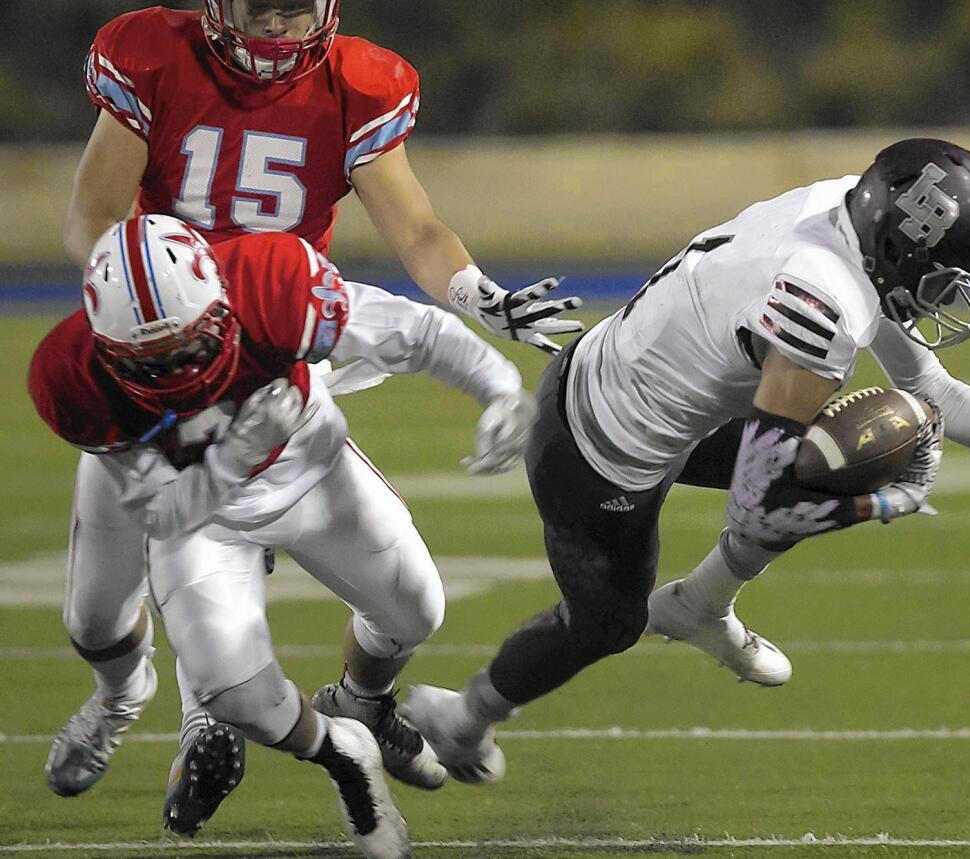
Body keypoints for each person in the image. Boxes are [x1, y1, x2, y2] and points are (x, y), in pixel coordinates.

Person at [401, 138, 970, 783]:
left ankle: (701, 603)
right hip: (596, 453)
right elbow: (760, 502)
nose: (951, 300)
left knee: (878, 435)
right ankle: (463, 718)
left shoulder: (845, 209)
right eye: (944, 283)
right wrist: (889, 503)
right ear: (902, 253)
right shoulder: (821, 301)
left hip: (637, 385)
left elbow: (927, 387)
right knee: (610, 623)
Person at [52, 0, 580, 834]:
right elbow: (94, 215)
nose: (277, 32)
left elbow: (415, 227)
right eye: (261, 11)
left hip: (278, 323)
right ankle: (191, 711)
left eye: (295, 12)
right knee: (143, 569)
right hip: (166, 343)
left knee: (407, 598)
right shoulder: (153, 53)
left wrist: (478, 296)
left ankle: (349, 702)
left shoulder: (355, 82)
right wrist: (147, 311)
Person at [30, 215, 536, 857]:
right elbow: (160, 516)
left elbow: (412, 330)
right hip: (202, 518)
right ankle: (344, 753)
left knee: (417, 610)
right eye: (151, 360)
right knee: (232, 693)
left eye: (187, 344)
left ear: (219, 302)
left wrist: (498, 388)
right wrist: (234, 458)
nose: (179, 368)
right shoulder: (72, 375)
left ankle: (361, 704)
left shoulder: (273, 284)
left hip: (309, 468)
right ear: (107, 347)